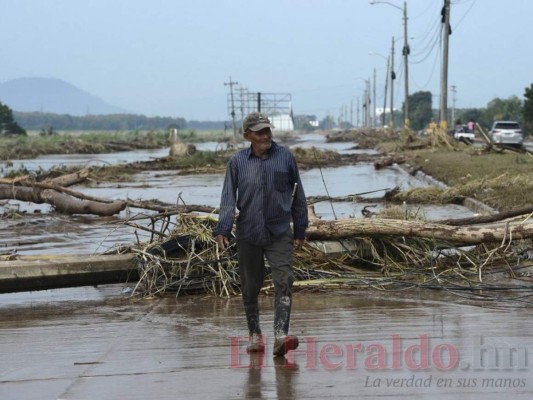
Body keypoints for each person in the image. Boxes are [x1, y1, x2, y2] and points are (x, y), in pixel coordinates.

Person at [214, 112, 308, 357]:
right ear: (247, 136)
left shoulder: (285, 157)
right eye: (259, 132)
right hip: (248, 233)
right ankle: (255, 336)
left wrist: (300, 227)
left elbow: (298, 195)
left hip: (279, 232)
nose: (265, 135)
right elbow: (227, 199)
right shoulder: (237, 163)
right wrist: (222, 228)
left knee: (284, 280)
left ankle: (280, 336)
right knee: (250, 287)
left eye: (267, 130)